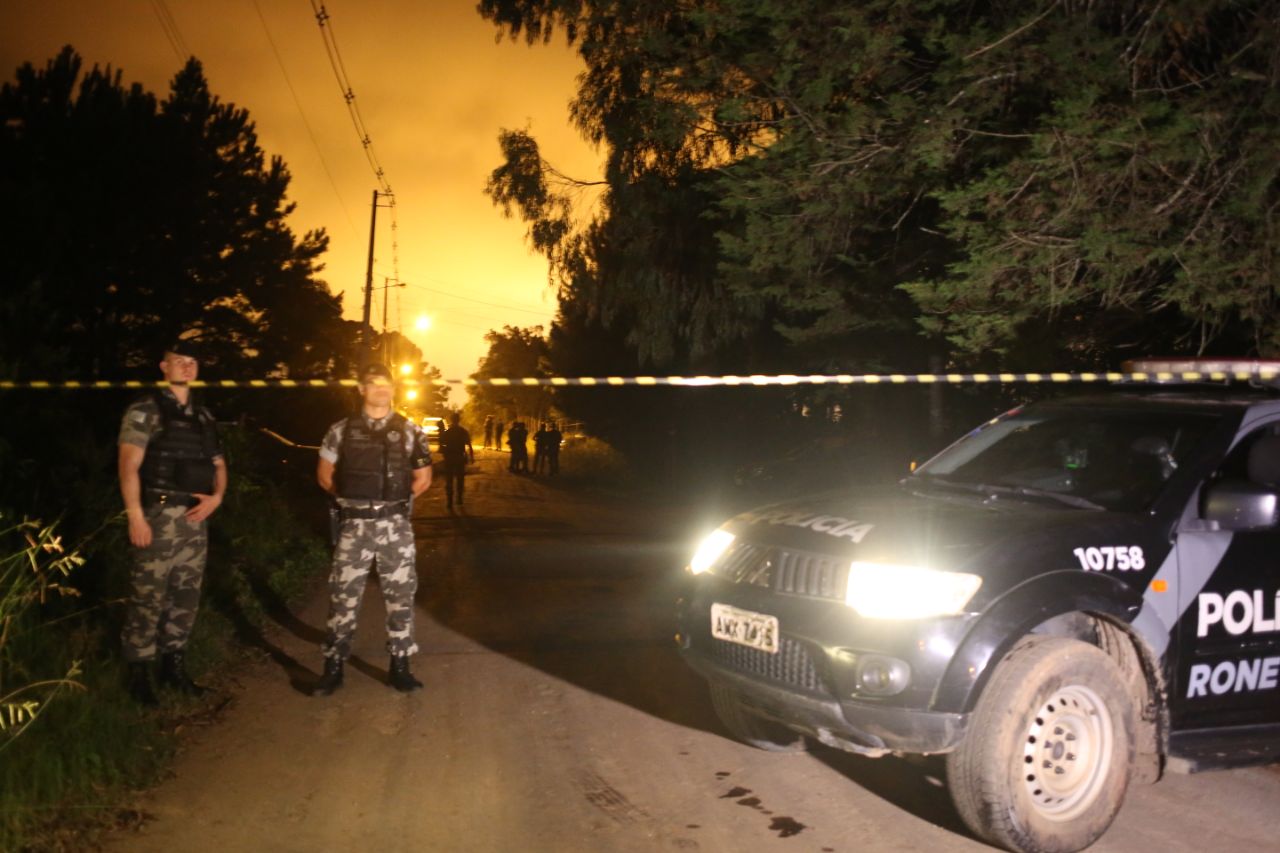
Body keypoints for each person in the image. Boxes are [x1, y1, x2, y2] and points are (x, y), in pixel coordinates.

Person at [118, 339, 227, 705]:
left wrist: (217, 498)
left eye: (191, 361)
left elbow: (219, 465)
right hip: (158, 516)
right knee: (147, 596)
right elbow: (128, 466)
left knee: (185, 597)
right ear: (164, 367)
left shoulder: (203, 417)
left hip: (194, 520)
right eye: (178, 360)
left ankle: (173, 667)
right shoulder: (146, 410)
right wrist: (136, 516)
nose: (186, 366)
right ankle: (138, 674)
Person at [313, 364, 432, 695]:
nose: (381, 389)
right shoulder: (341, 430)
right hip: (355, 526)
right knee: (343, 596)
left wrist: (394, 502)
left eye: (386, 384)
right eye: (374, 383)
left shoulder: (410, 431)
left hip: (395, 527)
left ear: (393, 389)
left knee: (401, 596)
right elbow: (324, 475)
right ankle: (333, 668)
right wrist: (349, 501)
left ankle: (400, 667)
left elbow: (423, 479)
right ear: (361, 389)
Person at [438, 412, 475, 509]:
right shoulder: (463, 431)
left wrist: (445, 454)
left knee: (449, 479)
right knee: (460, 479)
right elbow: (469, 445)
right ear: (459, 420)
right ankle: (459, 498)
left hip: (449, 458)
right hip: (459, 458)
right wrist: (471, 457)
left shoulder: (447, 432)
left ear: (451, 420)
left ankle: (449, 501)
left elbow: (441, 446)